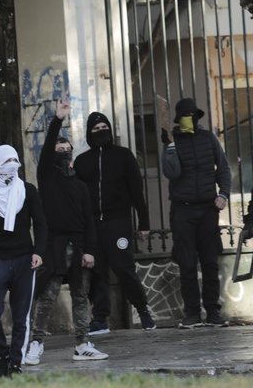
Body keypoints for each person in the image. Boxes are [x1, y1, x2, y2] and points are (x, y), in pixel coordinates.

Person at [26, 97, 107, 365]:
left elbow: (90, 221)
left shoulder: (80, 186)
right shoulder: (47, 177)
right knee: (47, 297)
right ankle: (36, 343)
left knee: (81, 296)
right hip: (54, 246)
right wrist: (58, 119)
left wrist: (91, 252)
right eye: (59, 149)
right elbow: (48, 148)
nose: (62, 152)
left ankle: (82, 343)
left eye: (66, 149)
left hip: (79, 246)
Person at [73, 111, 157, 334]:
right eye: (96, 129)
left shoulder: (124, 156)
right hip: (93, 226)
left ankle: (143, 311)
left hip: (118, 223)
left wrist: (144, 223)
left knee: (124, 268)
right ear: (90, 133)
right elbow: (78, 198)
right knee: (97, 271)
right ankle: (100, 319)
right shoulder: (82, 162)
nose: (101, 132)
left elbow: (137, 191)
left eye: (104, 127)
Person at [0, 145, 47, 378]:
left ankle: (16, 363)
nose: (12, 164)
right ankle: (3, 354)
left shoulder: (27, 191)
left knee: (21, 316)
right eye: (7, 160)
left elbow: (41, 224)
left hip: (24, 261)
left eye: (15, 159)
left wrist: (39, 252)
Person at [161, 97, 232, 328]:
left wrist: (223, 195)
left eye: (192, 116)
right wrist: (168, 148)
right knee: (187, 264)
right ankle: (192, 313)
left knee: (210, 262)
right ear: (178, 120)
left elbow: (223, 168)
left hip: (207, 209)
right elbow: (171, 173)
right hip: (183, 210)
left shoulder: (208, 138)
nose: (189, 120)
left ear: (197, 117)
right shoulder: (173, 141)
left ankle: (213, 312)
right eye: (185, 117)